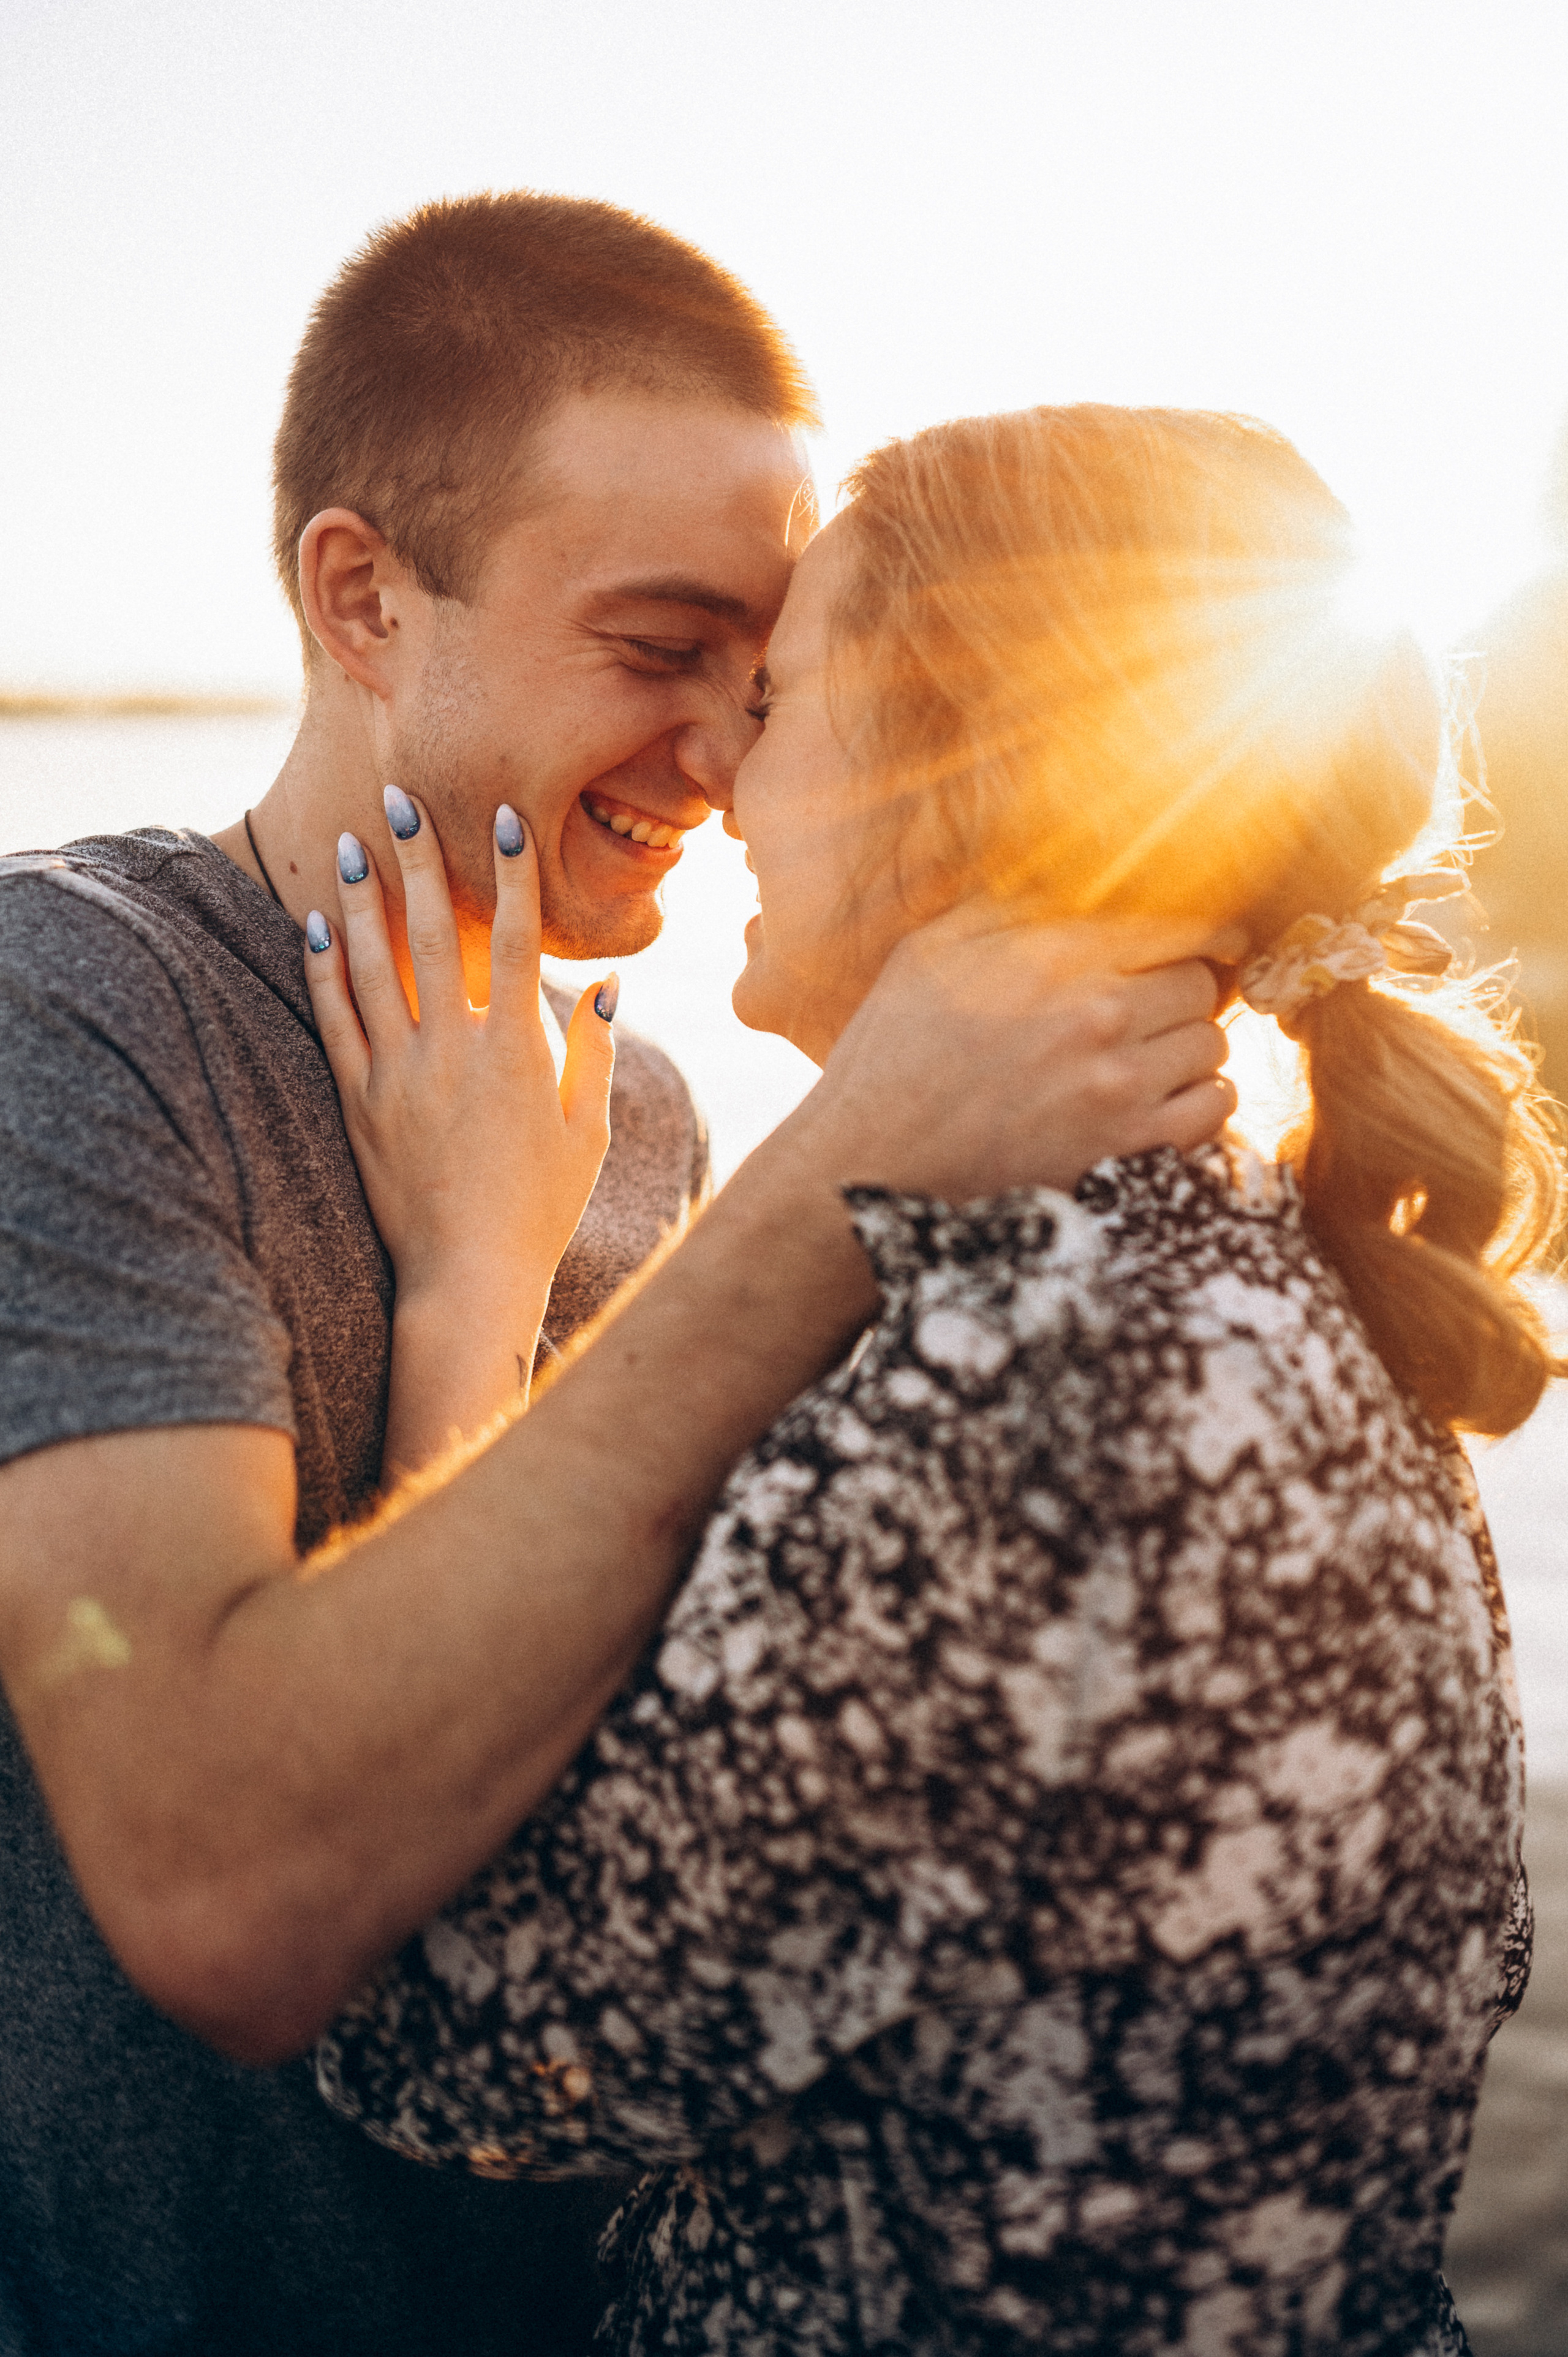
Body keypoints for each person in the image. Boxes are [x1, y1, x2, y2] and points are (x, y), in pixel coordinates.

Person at [0, 197, 1234, 2356]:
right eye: (659, 651)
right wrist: (832, 1179)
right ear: (366, 598)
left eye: (758, 679)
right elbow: (222, 1891)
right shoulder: (73, 1014)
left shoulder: (640, 1106)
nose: (728, 762)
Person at [314, 407, 1561, 2356]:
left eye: (778, 700)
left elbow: (453, 2051)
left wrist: (473, 1296)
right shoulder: (1241, 1266)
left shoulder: (1027, 1383)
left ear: (970, 769)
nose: (719, 775)